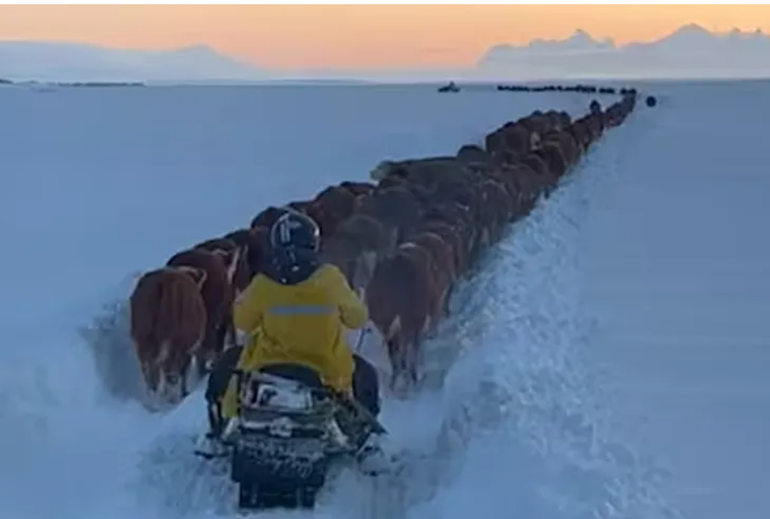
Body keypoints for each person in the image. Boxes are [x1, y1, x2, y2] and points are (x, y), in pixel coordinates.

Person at [216, 208, 380, 434]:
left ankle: (220, 427)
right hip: (326, 375)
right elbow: (357, 318)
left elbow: (243, 323)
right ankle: (366, 437)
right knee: (366, 376)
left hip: (266, 371)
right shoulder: (330, 279)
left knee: (226, 367)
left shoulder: (264, 284)